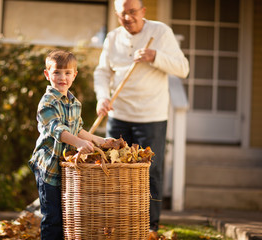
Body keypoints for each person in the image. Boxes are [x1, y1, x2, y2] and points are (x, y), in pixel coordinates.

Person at [93, 0, 190, 238]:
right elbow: (102, 72)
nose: (128, 18)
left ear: (143, 12)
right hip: (119, 115)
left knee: (150, 171)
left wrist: (155, 56)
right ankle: (114, 224)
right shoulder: (113, 38)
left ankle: (150, 227)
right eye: (122, 14)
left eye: (133, 12)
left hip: (151, 116)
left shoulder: (160, 32)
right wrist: (103, 97)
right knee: (113, 170)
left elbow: (183, 68)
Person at [29, 49, 106, 240]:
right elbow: (58, 130)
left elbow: (77, 129)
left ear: (74, 75)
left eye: (67, 73)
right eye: (56, 72)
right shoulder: (47, 102)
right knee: (52, 216)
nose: (62, 77)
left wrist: (100, 140)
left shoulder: (74, 103)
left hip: (66, 169)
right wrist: (79, 143)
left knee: (67, 215)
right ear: (47, 74)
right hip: (48, 168)